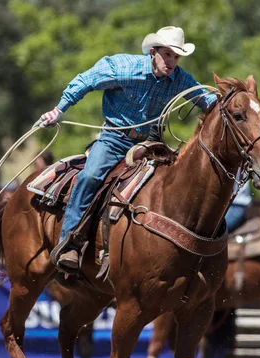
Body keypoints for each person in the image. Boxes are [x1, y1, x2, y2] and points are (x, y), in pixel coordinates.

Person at [35, 26, 218, 271]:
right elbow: (86, 80)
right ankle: (71, 242)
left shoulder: (180, 79)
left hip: (151, 142)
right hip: (113, 138)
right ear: (153, 52)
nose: (172, 61)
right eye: (167, 54)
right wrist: (59, 109)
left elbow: (205, 99)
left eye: (176, 56)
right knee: (90, 177)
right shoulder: (124, 68)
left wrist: (230, 104)